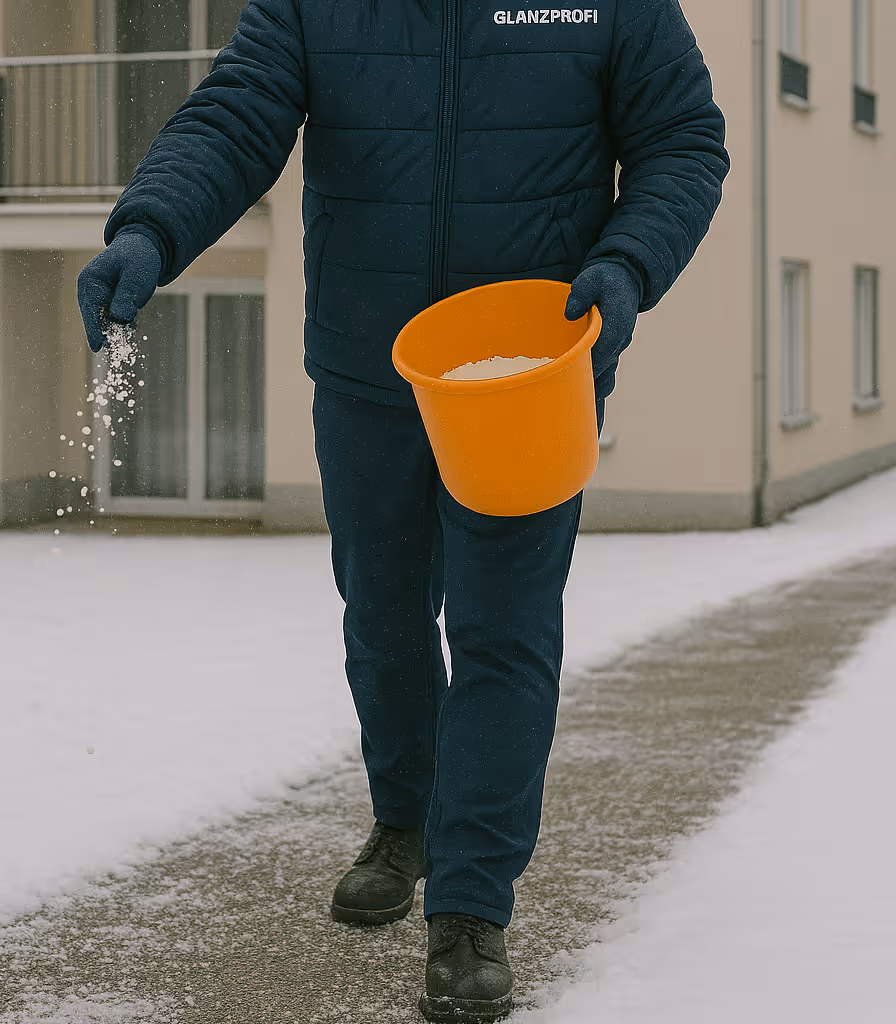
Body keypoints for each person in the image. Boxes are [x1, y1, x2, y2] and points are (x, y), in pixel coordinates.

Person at [77, 2, 729, 1020]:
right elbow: (233, 118)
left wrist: (629, 263)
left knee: (500, 631)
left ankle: (469, 908)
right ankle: (405, 820)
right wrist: (150, 228)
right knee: (380, 614)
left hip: (529, 369)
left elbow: (682, 141)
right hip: (370, 368)